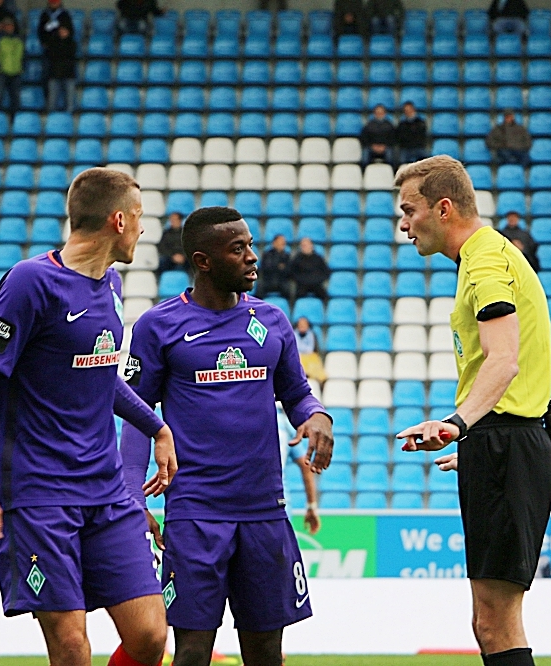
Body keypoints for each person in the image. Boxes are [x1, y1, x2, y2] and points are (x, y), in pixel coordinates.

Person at [0, 168, 176, 666]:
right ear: (118, 220)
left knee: (149, 635)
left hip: (104, 490)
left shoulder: (110, 285)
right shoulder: (31, 282)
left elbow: (100, 377)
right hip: (38, 492)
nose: (143, 229)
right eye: (139, 217)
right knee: (72, 644)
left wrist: (156, 426)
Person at [121, 205, 334, 666]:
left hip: (264, 512)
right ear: (203, 261)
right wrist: (132, 499)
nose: (253, 257)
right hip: (195, 514)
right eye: (238, 249)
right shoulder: (158, 326)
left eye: (251, 246)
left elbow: (296, 392)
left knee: (266, 654)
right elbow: (137, 416)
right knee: (193, 653)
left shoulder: (273, 321)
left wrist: (316, 414)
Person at [393, 156, 551, 666]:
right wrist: (477, 441)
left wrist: (459, 424)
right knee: (488, 622)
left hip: (507, 445)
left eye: (408, 210)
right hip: (501, 443)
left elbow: (505, 361)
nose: (403, 224)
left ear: (443, 208)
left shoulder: (486, 261)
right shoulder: (485, 259)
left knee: (496, 622)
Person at [0, 17, 23, 117]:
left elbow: (24, 55)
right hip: (2, 72)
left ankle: (15, 120)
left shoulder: (18, 39)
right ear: (3, 27)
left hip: (16, 72)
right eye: (7, 26)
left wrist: (21, 67)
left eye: (11, 26)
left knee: (16, 98)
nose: (9, 28)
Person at [44, 25, 76, 113]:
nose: (62, 33)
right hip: (54, 73)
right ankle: (51, 119)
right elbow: (51, 55)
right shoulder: (53, 43)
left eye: (64, 31)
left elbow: (69, 54)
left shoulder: (72, 43)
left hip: (69, 74)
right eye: (61, 31)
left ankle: (69, 120)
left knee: (70, 101)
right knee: (52, 100)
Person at [287, 237, 331, 302]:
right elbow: (291, 272)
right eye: (302, 245)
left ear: (311, 246)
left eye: (305, 245)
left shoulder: (318, 258)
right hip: (302, 284)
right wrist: (300, 280)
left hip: (316, 283)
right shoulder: (297, 259)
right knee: (297, 297)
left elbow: (326, 272)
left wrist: (318, 279)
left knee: (325, 296)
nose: (303, 247)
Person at [359, 104, 396, 169]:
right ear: (374, 113)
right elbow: (364, 138)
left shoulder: (390, 125)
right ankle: (364, 171)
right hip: (371, 147)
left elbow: (393, 138)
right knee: (365, 156)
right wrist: (372, 146)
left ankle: (391, 171)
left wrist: (384, 146)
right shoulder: (369, 125)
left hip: (385, 147)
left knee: (390, 156)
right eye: (377, 113)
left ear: (384, 113)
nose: (379, 114)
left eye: (381, 113)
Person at [257, 234, 291, 299]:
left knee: (288, 290)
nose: (283, 243)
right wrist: (278, 266)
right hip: (268, 280)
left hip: (281, 281)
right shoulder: (267, 254)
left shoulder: (286, 255)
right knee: (259, 288)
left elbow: (288, 270)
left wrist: (276, 266)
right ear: (274, 243)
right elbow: (266, 268)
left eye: (283, 242)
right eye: (281, 241)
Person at [294, 316, 326, 384]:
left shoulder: (312, 335)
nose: (302, 326)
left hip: (310, 357)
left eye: (304, 324)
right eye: (300, 324)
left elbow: (311, 349)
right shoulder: (293, 334)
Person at [396, 100, 429, 165]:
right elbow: (400, 136)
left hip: (418, 146)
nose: (407, 111)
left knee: (425, 161)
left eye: (409, 109)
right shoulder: (402, 124)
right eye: (405, 110)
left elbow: (421, 135)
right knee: (401, 162)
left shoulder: (421, 122)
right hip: (406, 147)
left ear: (413, 109)